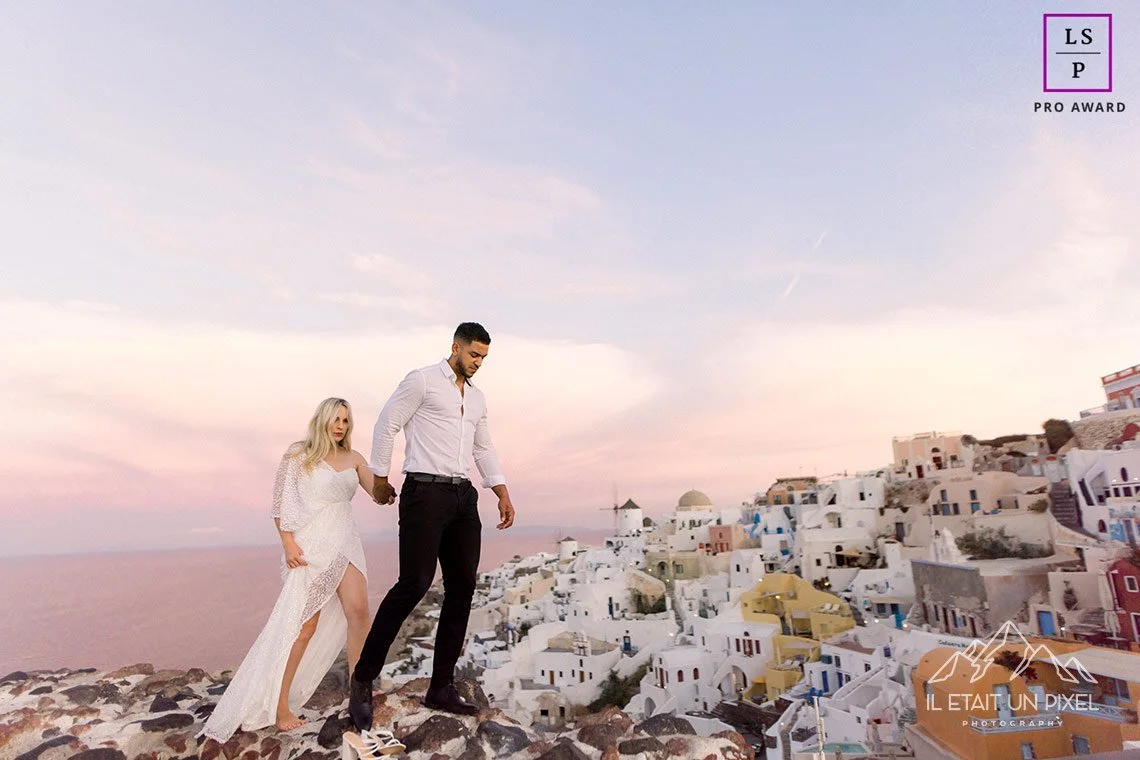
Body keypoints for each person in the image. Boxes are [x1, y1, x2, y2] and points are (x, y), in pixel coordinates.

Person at [348, 322, 517, 730]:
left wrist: (501, 490)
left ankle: (441, 687)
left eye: (484, 358)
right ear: (456, 347)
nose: (478, 363)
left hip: (463, 498)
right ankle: (362, 678)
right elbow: (387, 423)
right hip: (424, 491)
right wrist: (380, 478)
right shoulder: (422, 381)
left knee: (462, 589)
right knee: (415, 582)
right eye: (474, 355)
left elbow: (483, 446)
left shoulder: (477, 400)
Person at [202, 398, 377, 742]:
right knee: (303, 626)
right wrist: (288, 543)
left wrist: (398, 483)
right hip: (311, 546)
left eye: (346, 420)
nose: (340, 425)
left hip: (345, 540)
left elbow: (379, 491)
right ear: (322, 420)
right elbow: (280, 504)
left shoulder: (355, 459)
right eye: (335, 419)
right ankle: (281, 706)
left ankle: (359, 690)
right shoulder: (299, 454)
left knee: (359, 611)